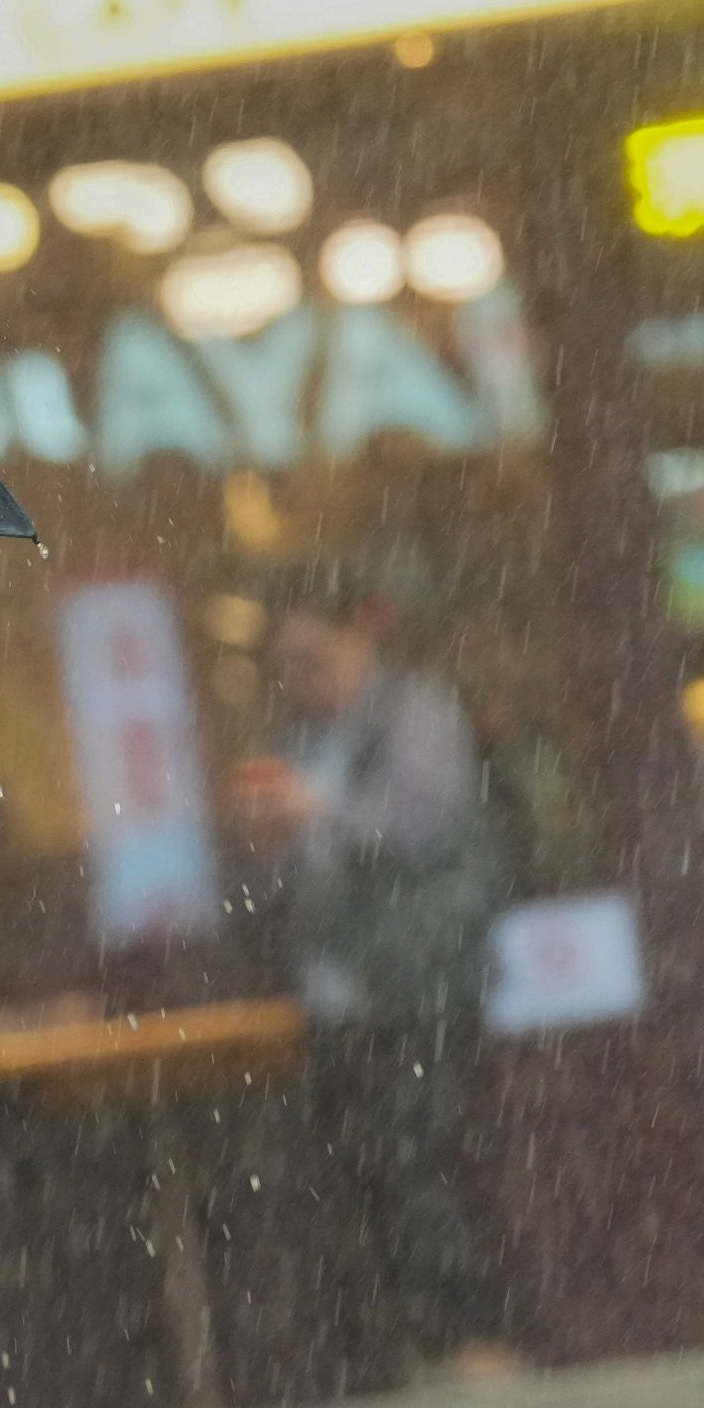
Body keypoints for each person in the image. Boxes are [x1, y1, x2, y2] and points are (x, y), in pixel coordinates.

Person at [223, 562, 508, 1363]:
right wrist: (266, 845)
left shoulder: (414, 713)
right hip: (339, 995)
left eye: (316, 659)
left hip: (416, 981)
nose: (304, 680)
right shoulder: (297, 742)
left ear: (360, 637)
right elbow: (278, 880)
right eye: (290, 667)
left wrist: (321, 810)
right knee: (361, 1164)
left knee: (407, 1150)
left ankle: (467, 1332)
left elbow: (427, 822)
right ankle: (418, 1335)